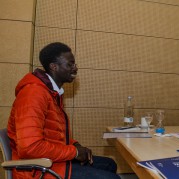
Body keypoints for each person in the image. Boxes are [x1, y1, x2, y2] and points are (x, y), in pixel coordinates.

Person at [7, 42, 121, 179]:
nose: (75, 68)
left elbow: (53, 134)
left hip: (52, 161)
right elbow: (30, 147)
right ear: (54, 67)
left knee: (109, 164)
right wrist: (75, 152)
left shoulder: (51, 92)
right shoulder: (33, 94)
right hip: (37, 170)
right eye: (70, 64)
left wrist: (75, 144)